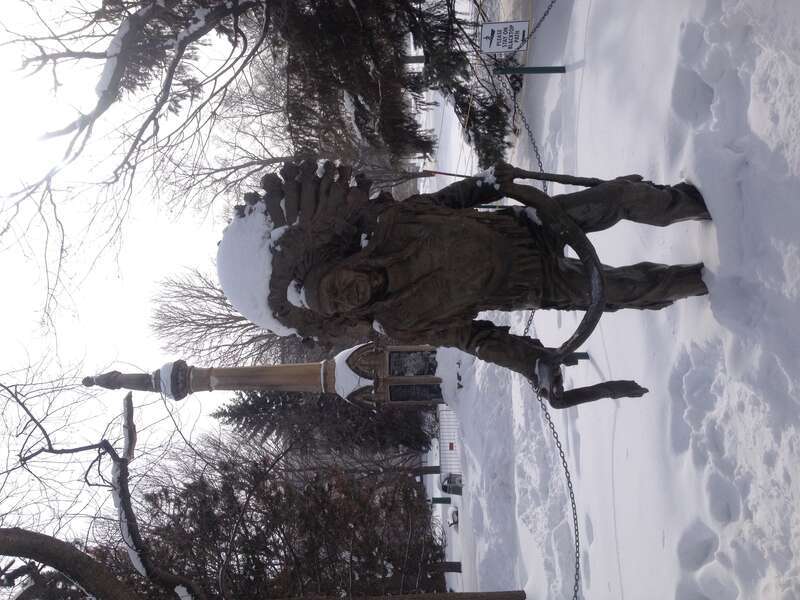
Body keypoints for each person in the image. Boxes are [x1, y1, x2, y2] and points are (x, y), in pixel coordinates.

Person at [262, 160, 711, 407]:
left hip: (531, 223)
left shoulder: (392, 224)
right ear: (345, 316)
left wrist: (488, 183)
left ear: (344, 264)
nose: (347, 293)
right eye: (338, 304)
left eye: (337, 284)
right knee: (623, 290)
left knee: (617, 198)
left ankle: (692, 203)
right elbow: (473, 338)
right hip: (536, 282)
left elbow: (450, 199)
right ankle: (700, 280)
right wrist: (531, 361)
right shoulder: (401, 322)